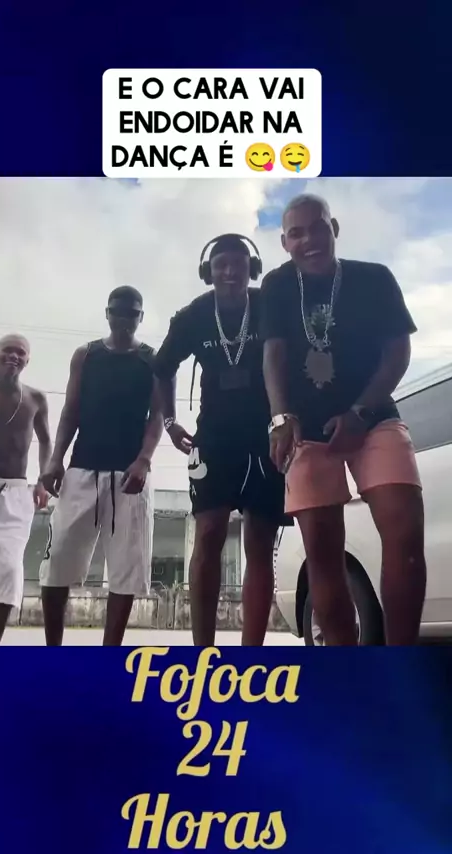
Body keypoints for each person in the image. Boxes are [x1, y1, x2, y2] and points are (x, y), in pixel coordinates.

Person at [261, 193, 426, 646]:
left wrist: (361, 411)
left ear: (333, 229)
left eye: (318, 227)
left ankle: (400, 662)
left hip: (373, 418)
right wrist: (280, 417)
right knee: (322, 553)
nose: (309, 240)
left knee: (405, 533)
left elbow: (398, 352)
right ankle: (345, 668)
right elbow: (273, 354)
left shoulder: (375, 279)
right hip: (306, 431)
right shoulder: (277, 286)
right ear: (284, 242)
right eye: (297, 233)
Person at [154, 233, 287, 647]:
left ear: (252, 269)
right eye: (220, 266)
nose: (229, 272)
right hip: (212, 438)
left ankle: (251, 653)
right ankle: (203, 652)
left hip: (266, 437)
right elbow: (162, 368)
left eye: (238, 265)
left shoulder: (268, 306)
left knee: (260, 541)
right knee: (209, 533)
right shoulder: (192, 316)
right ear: (207, 273)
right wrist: (170, 421)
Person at [39, 286, 162, 646]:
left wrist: (144, 460)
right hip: (82, 469)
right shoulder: (86, 355)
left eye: (132, 313)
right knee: (56, 564)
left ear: (141, 317)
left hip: (130, 476)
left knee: (125, 571)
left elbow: (158, 415)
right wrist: (55, 458)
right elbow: (71, 410)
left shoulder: (152, 360)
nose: (124, 318)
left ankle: (108, 658)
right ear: (107, 313)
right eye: (118, 311)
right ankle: (53, 654)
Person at [0, 334, 51, 645]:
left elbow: (46, 441)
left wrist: (43, 480)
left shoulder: (36, 399)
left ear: (28, 360)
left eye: (21, 352)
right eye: (8, 351)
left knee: (9, 572)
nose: (13, 356)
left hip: (16, 491)